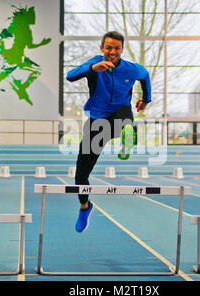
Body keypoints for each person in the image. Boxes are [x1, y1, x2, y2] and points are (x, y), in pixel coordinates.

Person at [66, 31, 152, 232]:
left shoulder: (131, 69)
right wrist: (92, 68)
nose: (112, 52)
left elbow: (145, 75)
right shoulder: (95, 64)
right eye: (108, 47)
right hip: (97, 120)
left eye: (117, 48)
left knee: (125, 118)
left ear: (122, 50)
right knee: (80, 176)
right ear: (102, 48)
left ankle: (127, 138)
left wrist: (146, 99)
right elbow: (70, 76)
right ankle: (85, 207)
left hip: (120, 111)